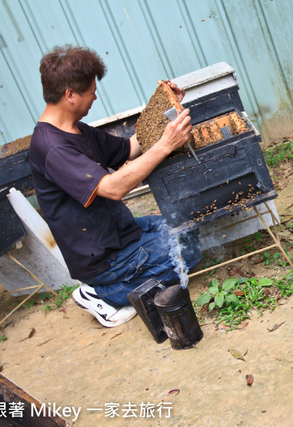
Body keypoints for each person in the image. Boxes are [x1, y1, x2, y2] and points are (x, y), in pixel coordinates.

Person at [29, 45, 202, 327]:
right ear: (69, 95)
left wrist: (167, 108)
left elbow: (132, 146)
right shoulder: (53, 148)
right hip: (104, 257)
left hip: (120, 231)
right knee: (189, 251)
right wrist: (166, 144)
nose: (95, 97)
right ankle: (102, 292)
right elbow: (112, 188)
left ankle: (117, 282)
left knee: (185, 225)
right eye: (90, 92)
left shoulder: (77, 130)